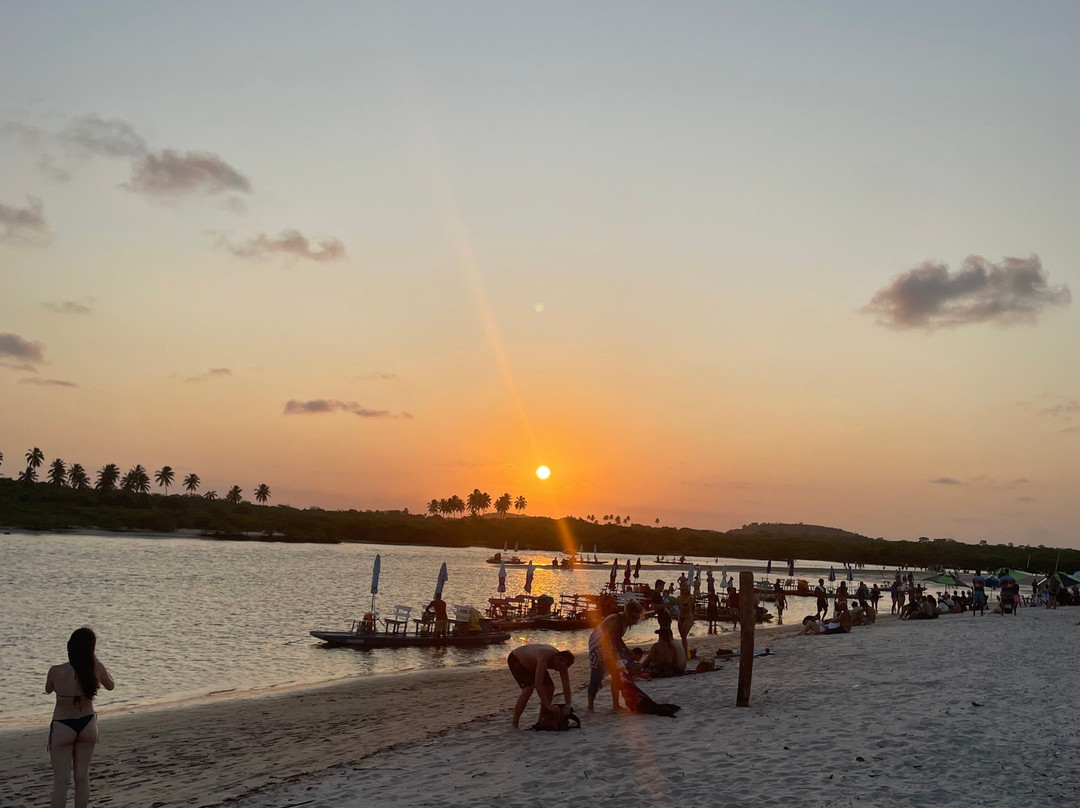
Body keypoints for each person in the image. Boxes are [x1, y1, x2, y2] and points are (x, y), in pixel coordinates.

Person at [46, 627, 115, 808]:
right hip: (87, 725)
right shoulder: (96, 668)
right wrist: (95, 661)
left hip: (63, 726)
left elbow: (48, 689)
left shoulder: (56, 671)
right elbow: (111, 685)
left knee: (61, 783)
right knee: (82, 778)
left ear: (70, 647)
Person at [587, 599, 644, 713]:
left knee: (616, 675)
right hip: (598, 645)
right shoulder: (616, 619)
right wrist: (615, 654)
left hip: (609, 645)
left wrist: (627, 652)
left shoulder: (624, 622)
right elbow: (607, 638)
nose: (634, 621)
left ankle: (616, 705)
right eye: (633, 618)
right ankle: (590, 707)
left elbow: (617, 639)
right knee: (596, 676)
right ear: (628, 613)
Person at [507, 644, 574, 729]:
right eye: (560, 666)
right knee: (528, 690)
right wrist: (548, 706)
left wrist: (567, 706)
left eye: (563, 668)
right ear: (557, 658)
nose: (559, 669)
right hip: (517, 660)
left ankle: (540, 721)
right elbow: (538, 684)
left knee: (550, 688)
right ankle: (514, 723)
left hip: (534, 664)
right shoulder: (544, 656)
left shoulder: (562, 664)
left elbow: (566, 686)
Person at [675, 584, 695, 656]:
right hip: (681, 617)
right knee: (682, 636)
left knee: (684, 635)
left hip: (688, 617)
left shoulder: (690, 598)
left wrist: (681, 606)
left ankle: (685, 653)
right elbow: (678, 607)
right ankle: (684, 651)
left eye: (683, 590)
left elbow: (688, 608)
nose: (681, 591)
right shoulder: (679, 597)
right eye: (681, 589)